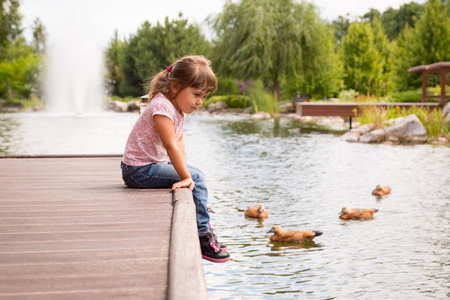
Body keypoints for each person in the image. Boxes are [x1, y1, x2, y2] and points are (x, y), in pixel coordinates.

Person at [121, 55, 230, 263]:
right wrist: (187, 177)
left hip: (152, 164)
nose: (199, 102)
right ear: (176, 87)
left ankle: (204, 229)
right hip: (137, 170)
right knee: (196, 178)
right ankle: (203, 238)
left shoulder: (178, 107)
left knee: (194, 174)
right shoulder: (161, 107)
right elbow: (170, 145)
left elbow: (179, 143)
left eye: (204, 97)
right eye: (196, 94)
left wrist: (184, 171)